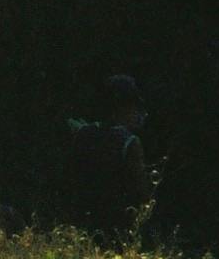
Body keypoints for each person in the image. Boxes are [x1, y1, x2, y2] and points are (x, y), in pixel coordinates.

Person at [64, 75, 153, 231]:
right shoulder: (130, 142)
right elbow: (142, 193)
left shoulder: (83, 133)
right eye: (134, 107)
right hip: (116, 224)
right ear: (123, 107)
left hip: (83, 219)